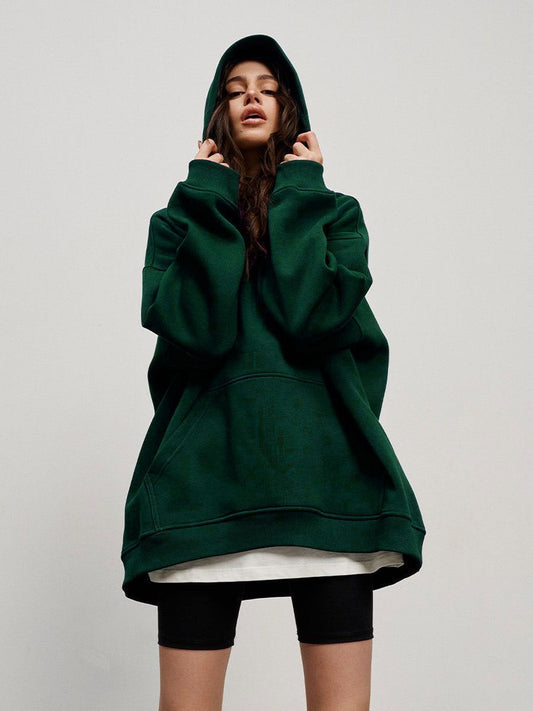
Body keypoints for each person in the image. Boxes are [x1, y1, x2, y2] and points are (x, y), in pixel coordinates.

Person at [120, 34, 426, 711]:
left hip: (329, 489)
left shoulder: (333, 212)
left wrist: (302, 193)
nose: (251, 97)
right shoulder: (178, 221)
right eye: (235, 90)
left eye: (267, 88)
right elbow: (201, 333)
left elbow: (312, 317)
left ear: (290, 111)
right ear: (218, 113)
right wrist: (206, 199)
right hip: (202, 493)